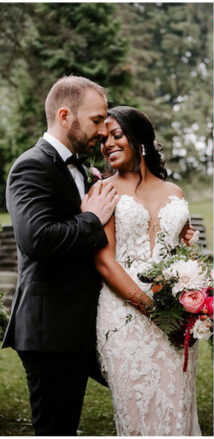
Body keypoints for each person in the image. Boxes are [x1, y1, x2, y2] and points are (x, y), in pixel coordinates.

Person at [2, 75, 118, 435]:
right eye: (97, 120)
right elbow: (37, 239)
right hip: (49, 329)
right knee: (55, 429)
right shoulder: (31, 166)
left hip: (77, 326)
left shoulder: (81, 168)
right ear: (65, 115)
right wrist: (91, 219)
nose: (102, 131)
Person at [94, 106, 201, 435]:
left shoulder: (175, 193)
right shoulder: (103, 193)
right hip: (125, 317)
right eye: (103, 139)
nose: (108, 144)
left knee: (177, 410)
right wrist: (154, 310)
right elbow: (104, 262)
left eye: (116, 135)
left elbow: (184, 254)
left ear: (138, 138)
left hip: (177, 316)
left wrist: (191, 266)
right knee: (139, 413)